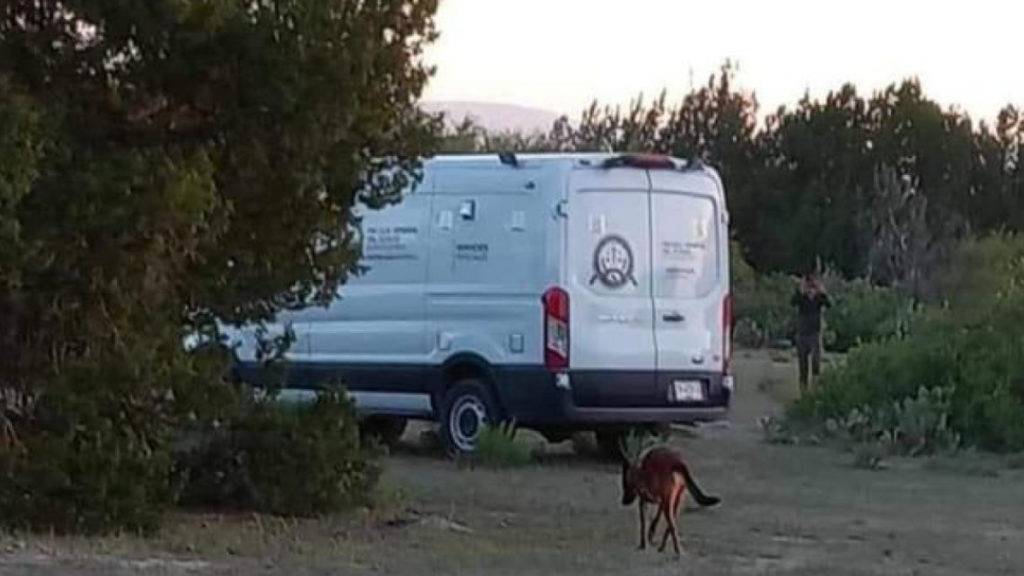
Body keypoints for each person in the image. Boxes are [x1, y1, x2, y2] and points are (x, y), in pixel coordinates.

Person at [790, 272, 831, 393]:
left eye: (812, 287)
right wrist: (800, 291)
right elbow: (792, 302)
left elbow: (829, 304)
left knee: (816, 362)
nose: (810, 290)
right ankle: (804, 391)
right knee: (803, 365)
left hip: (814, 333)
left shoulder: (819, 299)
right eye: (809, 286)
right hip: (802, 333)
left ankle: (815, 388)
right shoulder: (801, 298)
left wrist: (822, 291)